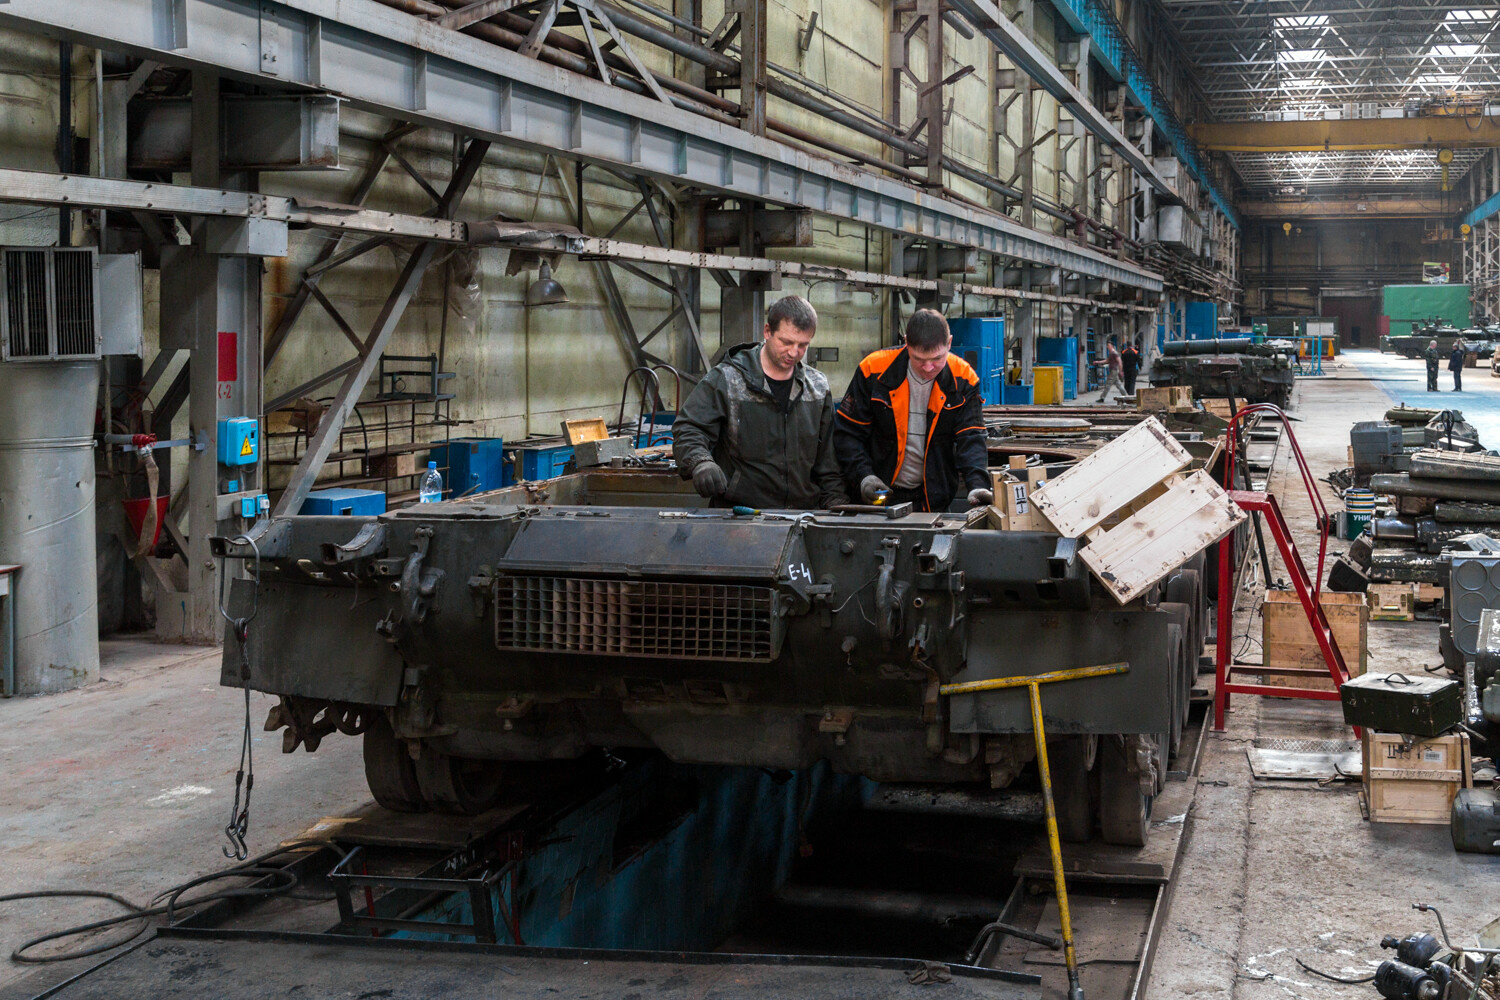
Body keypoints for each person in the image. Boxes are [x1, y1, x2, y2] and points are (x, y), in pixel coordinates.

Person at [672, 295, 849, 509]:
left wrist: (836, 501)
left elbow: (828, 460)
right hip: (740, 515)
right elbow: (689, 428)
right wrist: (700, 461)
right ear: (767, 331)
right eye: (786, 342)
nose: (794, 353)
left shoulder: (818, 387)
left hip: (802, 514)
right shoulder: (728, 379)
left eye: (803, 345)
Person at [833, 309, 991, 513]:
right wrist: (863, 476)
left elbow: (971, 437)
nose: (928, 367)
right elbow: (848, 433)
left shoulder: (963, 378)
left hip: (932, 500)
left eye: (937, 358)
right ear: (906, 342)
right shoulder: (873, 370)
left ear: (949, 343)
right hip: (878, 496)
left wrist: (977, 484)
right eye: (919, 359)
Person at [1100, 338, 1124, 402]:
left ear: (1112, 346)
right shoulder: (1111, 353)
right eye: (1107, 345)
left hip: (1114, 371)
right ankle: (1126, 396)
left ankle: (1102, 397)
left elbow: (1120, 362)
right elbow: (1107, 361)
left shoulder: (1114, 353)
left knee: (1108, 384)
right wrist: (1098, 362)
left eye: (1108, 345)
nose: (1107, 347)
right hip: (1114, 371)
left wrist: (1120, 371)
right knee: (1118, 385)